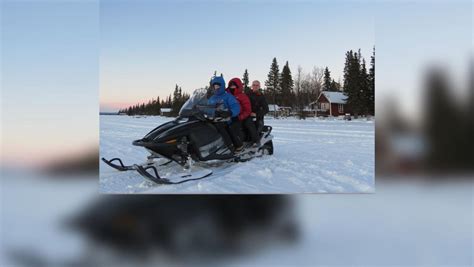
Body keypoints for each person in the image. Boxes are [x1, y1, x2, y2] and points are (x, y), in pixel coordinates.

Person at [208, 75, 243, 152]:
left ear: (222, 85)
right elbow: (207, 108)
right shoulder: (212, 98)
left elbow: (236, 107)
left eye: (218, 86)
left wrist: (230, 112)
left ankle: (232, 146)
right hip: (214, 119)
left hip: (226, 118)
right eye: (214, 86)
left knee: (221, 127)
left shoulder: (228, 96)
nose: (216, 88)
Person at [227, 78, 259, 147]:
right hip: (229, 115)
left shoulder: (243, 96)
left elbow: (247, 110)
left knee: (248, 124)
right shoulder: (227, 95)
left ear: (238, 86)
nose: (232, 87)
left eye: (234, 86)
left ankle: (255, 140)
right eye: (231, 86)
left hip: (242, 115)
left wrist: (240, 117)